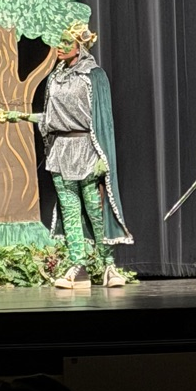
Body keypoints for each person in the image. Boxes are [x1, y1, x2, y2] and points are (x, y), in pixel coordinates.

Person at [38, 21, 133, 289]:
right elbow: (49, 117)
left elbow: (104, 119)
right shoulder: (54, 77)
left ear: (80, 46)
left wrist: (103, 156)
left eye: (66, 42)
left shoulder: (93, 75)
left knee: (95, 210)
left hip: (87, 149)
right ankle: (78, 266)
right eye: (59, 41)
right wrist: (21, 117)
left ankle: (108, 265)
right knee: (70, 212)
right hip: (60, 150)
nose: (60, 46)